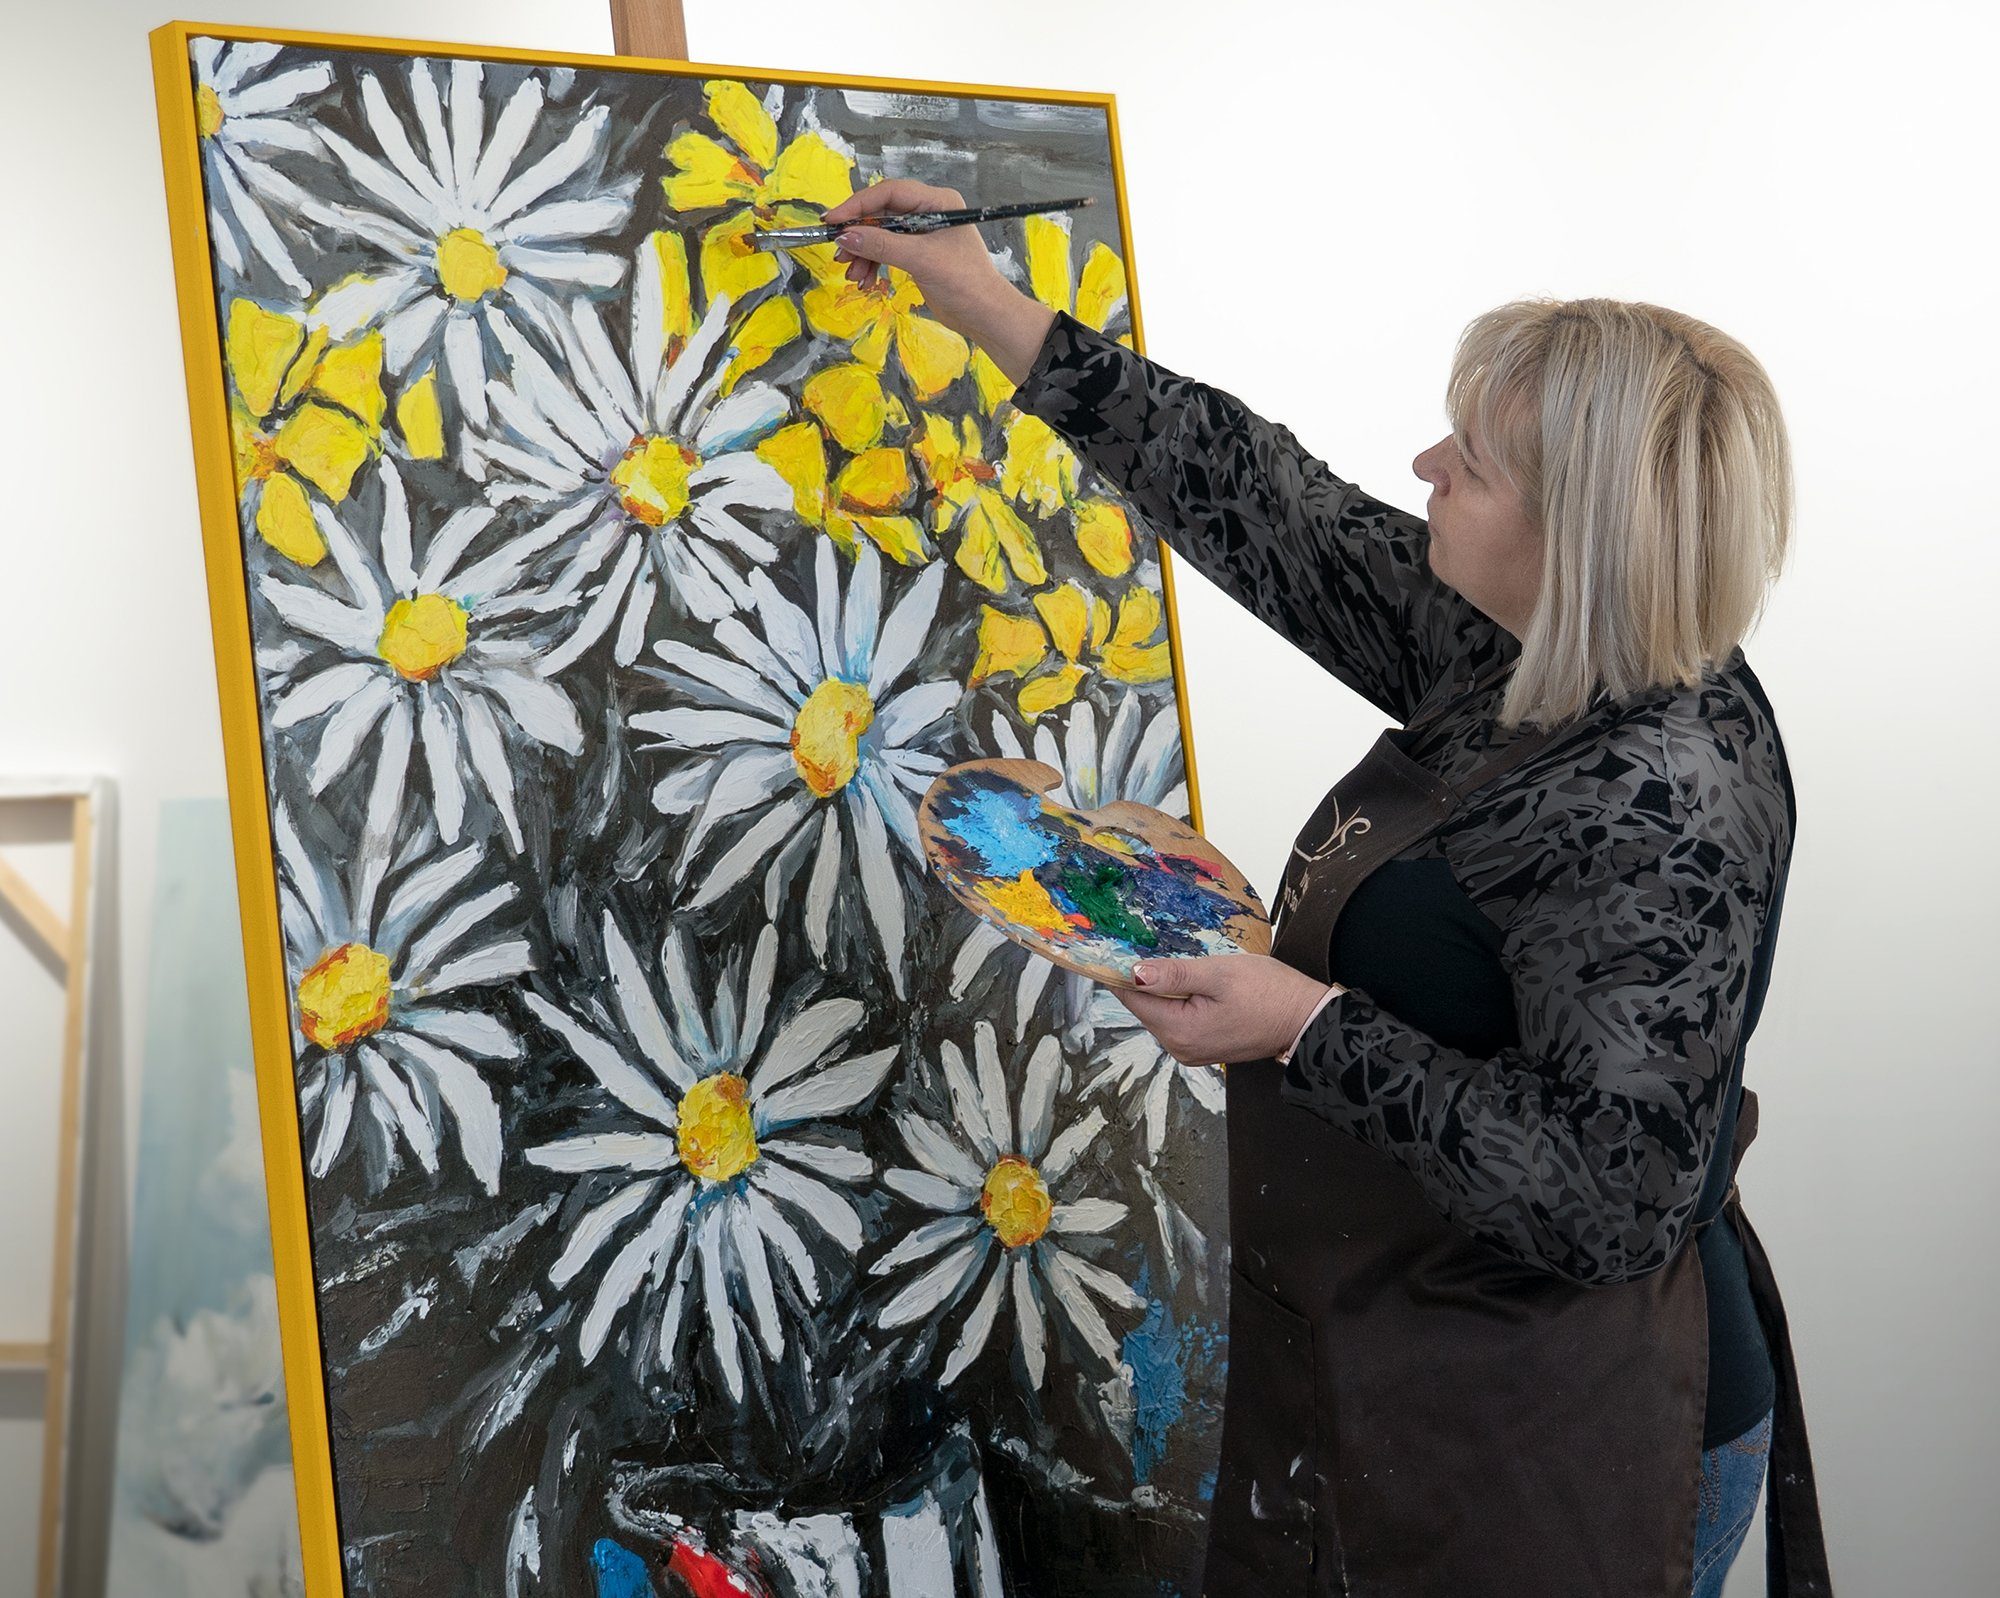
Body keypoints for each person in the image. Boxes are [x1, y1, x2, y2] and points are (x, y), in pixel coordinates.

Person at [823, 181, 1834, 1597]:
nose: (1424, 463)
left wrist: (1304, 1025)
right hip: (1420, 1365)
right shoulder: (1520, 647)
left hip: (1568, 1426)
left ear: (1577, 532)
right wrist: (993, 308)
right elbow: (1275, 510)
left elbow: (1608, 1194)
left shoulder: (1662, 791)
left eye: (1471, 460)